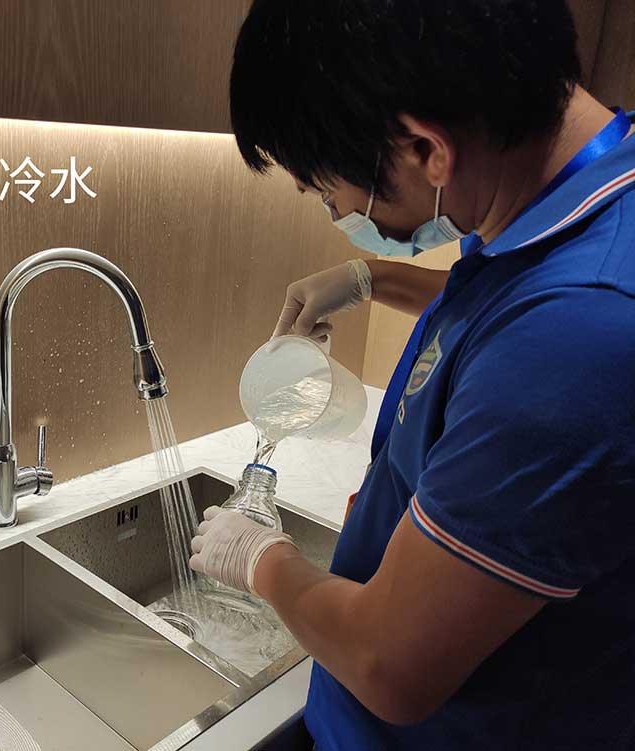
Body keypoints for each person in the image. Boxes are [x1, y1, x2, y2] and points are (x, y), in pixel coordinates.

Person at [188, 1, 635, 749]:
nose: (335, 208)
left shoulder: (579, 331)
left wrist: (260, 558)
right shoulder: (573, 194)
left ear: (427, 150)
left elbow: (389, 663)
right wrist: (374, 279)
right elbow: (507, 310)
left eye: (324, 188)